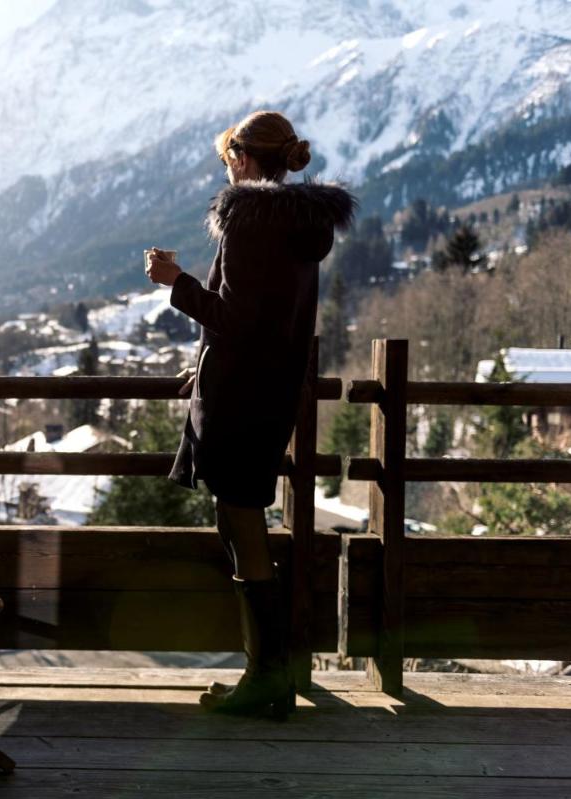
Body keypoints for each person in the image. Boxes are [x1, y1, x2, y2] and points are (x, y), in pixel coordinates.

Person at [144, 110, 356, 718]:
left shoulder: (247, 223)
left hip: (238, 400)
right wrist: (206, 358)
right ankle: (268, 675)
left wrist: (175, 281)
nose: (225, 170)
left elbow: (237, 319)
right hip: (270, 392)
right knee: (241, 526)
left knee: (243, 529)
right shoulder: (301, 226)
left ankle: (266, 680)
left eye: (226, 160)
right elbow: (266, 322)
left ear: (240, 158)